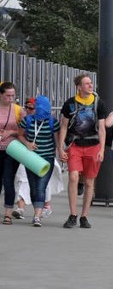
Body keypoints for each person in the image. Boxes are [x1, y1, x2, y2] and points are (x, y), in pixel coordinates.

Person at [58, 73, 107, 229]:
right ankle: (73, 214)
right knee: (73, 177)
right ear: (79, 87)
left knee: (89, 181)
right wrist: (60, 148)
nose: (90, 86)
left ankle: (84, 216)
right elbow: (63, 127)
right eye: (86, 84)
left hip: (93, 146)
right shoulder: (70, 104)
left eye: (91, 83)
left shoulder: (98, 103)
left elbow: (102, 129)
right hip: (75, 145)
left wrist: (102, 149)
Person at [16, 94, 59, 226]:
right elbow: (20, 135)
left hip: (47, 159)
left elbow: (57, 140)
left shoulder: (53, 122)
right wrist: (27, 143)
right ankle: (37, 212)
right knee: (34, 188)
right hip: (31, 158)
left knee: (41, 186)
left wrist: (60, 152)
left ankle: (37, 216)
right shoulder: (27, 120)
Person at [0, 81, 24, 225]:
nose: (10, 98)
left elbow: (24, 130)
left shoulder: (18, 110)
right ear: (1, 95)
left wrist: (11, 132)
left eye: (13, 96)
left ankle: (8, 213)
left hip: (11, 149)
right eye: (8, 95)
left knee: (8, 181)